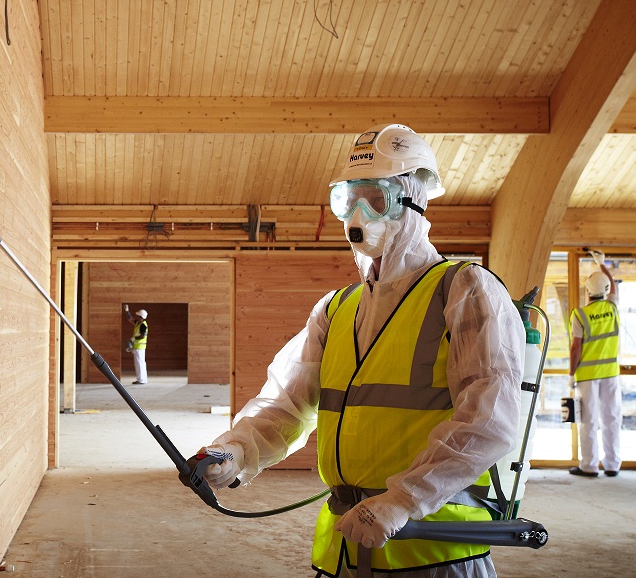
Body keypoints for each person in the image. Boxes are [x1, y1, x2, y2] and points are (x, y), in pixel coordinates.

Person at [201, 124, 525, 578]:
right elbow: (287, 404)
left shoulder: (465, 290)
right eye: (347, 200)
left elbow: (489, 421)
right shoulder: (336, 309)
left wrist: (403, 501)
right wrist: (233, 452)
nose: (358, 214)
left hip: (433, 550)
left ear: (411, 198)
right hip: (348, 550)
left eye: (376, 198)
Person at [568, 251, 621, 478]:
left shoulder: (580, 315)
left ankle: (589, 466)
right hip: (610, 374)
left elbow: (575, 348)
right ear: (607, 290)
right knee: (611, 419)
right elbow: (614, 289)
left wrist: (571, 374)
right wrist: (602, 264)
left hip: (587, 376)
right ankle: (612, 465)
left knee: (588, 421)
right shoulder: (612, 307)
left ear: (587, 291)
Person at [127, 307, 149, 385]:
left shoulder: (143, 325)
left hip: (139, 347)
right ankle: (143, 379)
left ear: (141, 317)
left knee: (139, 364)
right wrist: (127, 311)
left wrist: (134, 338)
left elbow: (142, 336)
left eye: (138, 315)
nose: (136, 317)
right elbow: (131, 319)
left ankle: (141, 380)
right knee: (141, 363)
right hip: (138, 347)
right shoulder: (138, 323)